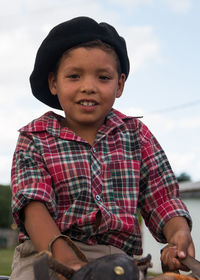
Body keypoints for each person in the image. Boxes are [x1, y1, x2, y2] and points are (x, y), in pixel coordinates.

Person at [10, 16, 195, 280]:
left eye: (103, 77)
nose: (88, 87)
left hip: (118, 262)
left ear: (119, 84)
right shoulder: (35, 138)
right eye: (74, 76)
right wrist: (69, 262)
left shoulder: (136, 135)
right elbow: (33, 205)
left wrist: (178, 233)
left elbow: (162, 197)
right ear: (54, 82)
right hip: (48, 254)